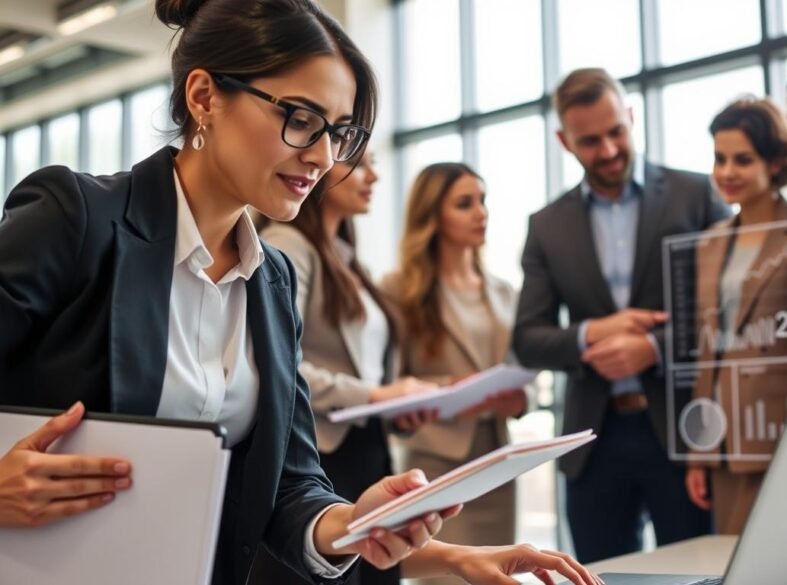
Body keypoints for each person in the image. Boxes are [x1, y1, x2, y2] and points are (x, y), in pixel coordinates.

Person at [0, 2, 601, 584]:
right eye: (300, 119)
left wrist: (361, 522)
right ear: (204, 97)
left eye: (338, 132)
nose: (323, 157)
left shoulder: (272, 280)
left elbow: (288, 490)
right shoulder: (75, 217)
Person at [512, 67, 729, 563]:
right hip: (593, 443)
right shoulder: (546, 226)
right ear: (565, 141)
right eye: (590, 141)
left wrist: (652, 348)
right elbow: (528, 339)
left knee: (699, 572)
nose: (607, 150)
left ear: (631, 116)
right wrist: (594, 333)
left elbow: (732, 313)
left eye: (616, 132)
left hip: (684, 431)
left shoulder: (696, 196)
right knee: (600, 576)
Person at [251, 149, 440, 585]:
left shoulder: (347, 259)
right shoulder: (288, 244)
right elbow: (279, 364)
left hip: (365, 450)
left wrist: (393, 408)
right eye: (360, 163)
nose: (373, 175)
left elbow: (365, 368)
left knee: (376, 569)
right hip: (318, 457)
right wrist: (376, 396)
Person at [380, 162, 530, 585]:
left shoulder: (503, 291)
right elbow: (389, 381)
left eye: (482, 201)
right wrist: (457, 391)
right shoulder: (398, 290)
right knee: (447, 576)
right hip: (437, 466)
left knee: (497, 575)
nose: (481, 212)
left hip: (496, 460)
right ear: (433, 216)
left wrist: (522, 399)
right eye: (465, 204)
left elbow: (522, 368)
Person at [683, 97, 787, 534]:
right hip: (724, 438)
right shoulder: (710, 242)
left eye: (742, 159)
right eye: (719, 159)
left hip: (786, 432)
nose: (726, 172)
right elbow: (709, 350)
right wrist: (699, 450)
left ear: (776, 161)